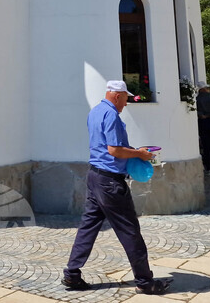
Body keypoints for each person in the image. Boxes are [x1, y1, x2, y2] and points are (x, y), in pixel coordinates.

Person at [63, 81, 171, 295]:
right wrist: (140, 154)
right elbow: (114, 150)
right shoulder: (111, 115)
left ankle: (72, 274)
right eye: (125, 98)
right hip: (110, 182)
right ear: (117, 95)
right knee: (130, 230)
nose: (127, 103)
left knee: (88, 226)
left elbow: (106, 146)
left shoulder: (95, 112)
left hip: (95, 176)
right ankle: (144, 281)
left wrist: (133, 150)